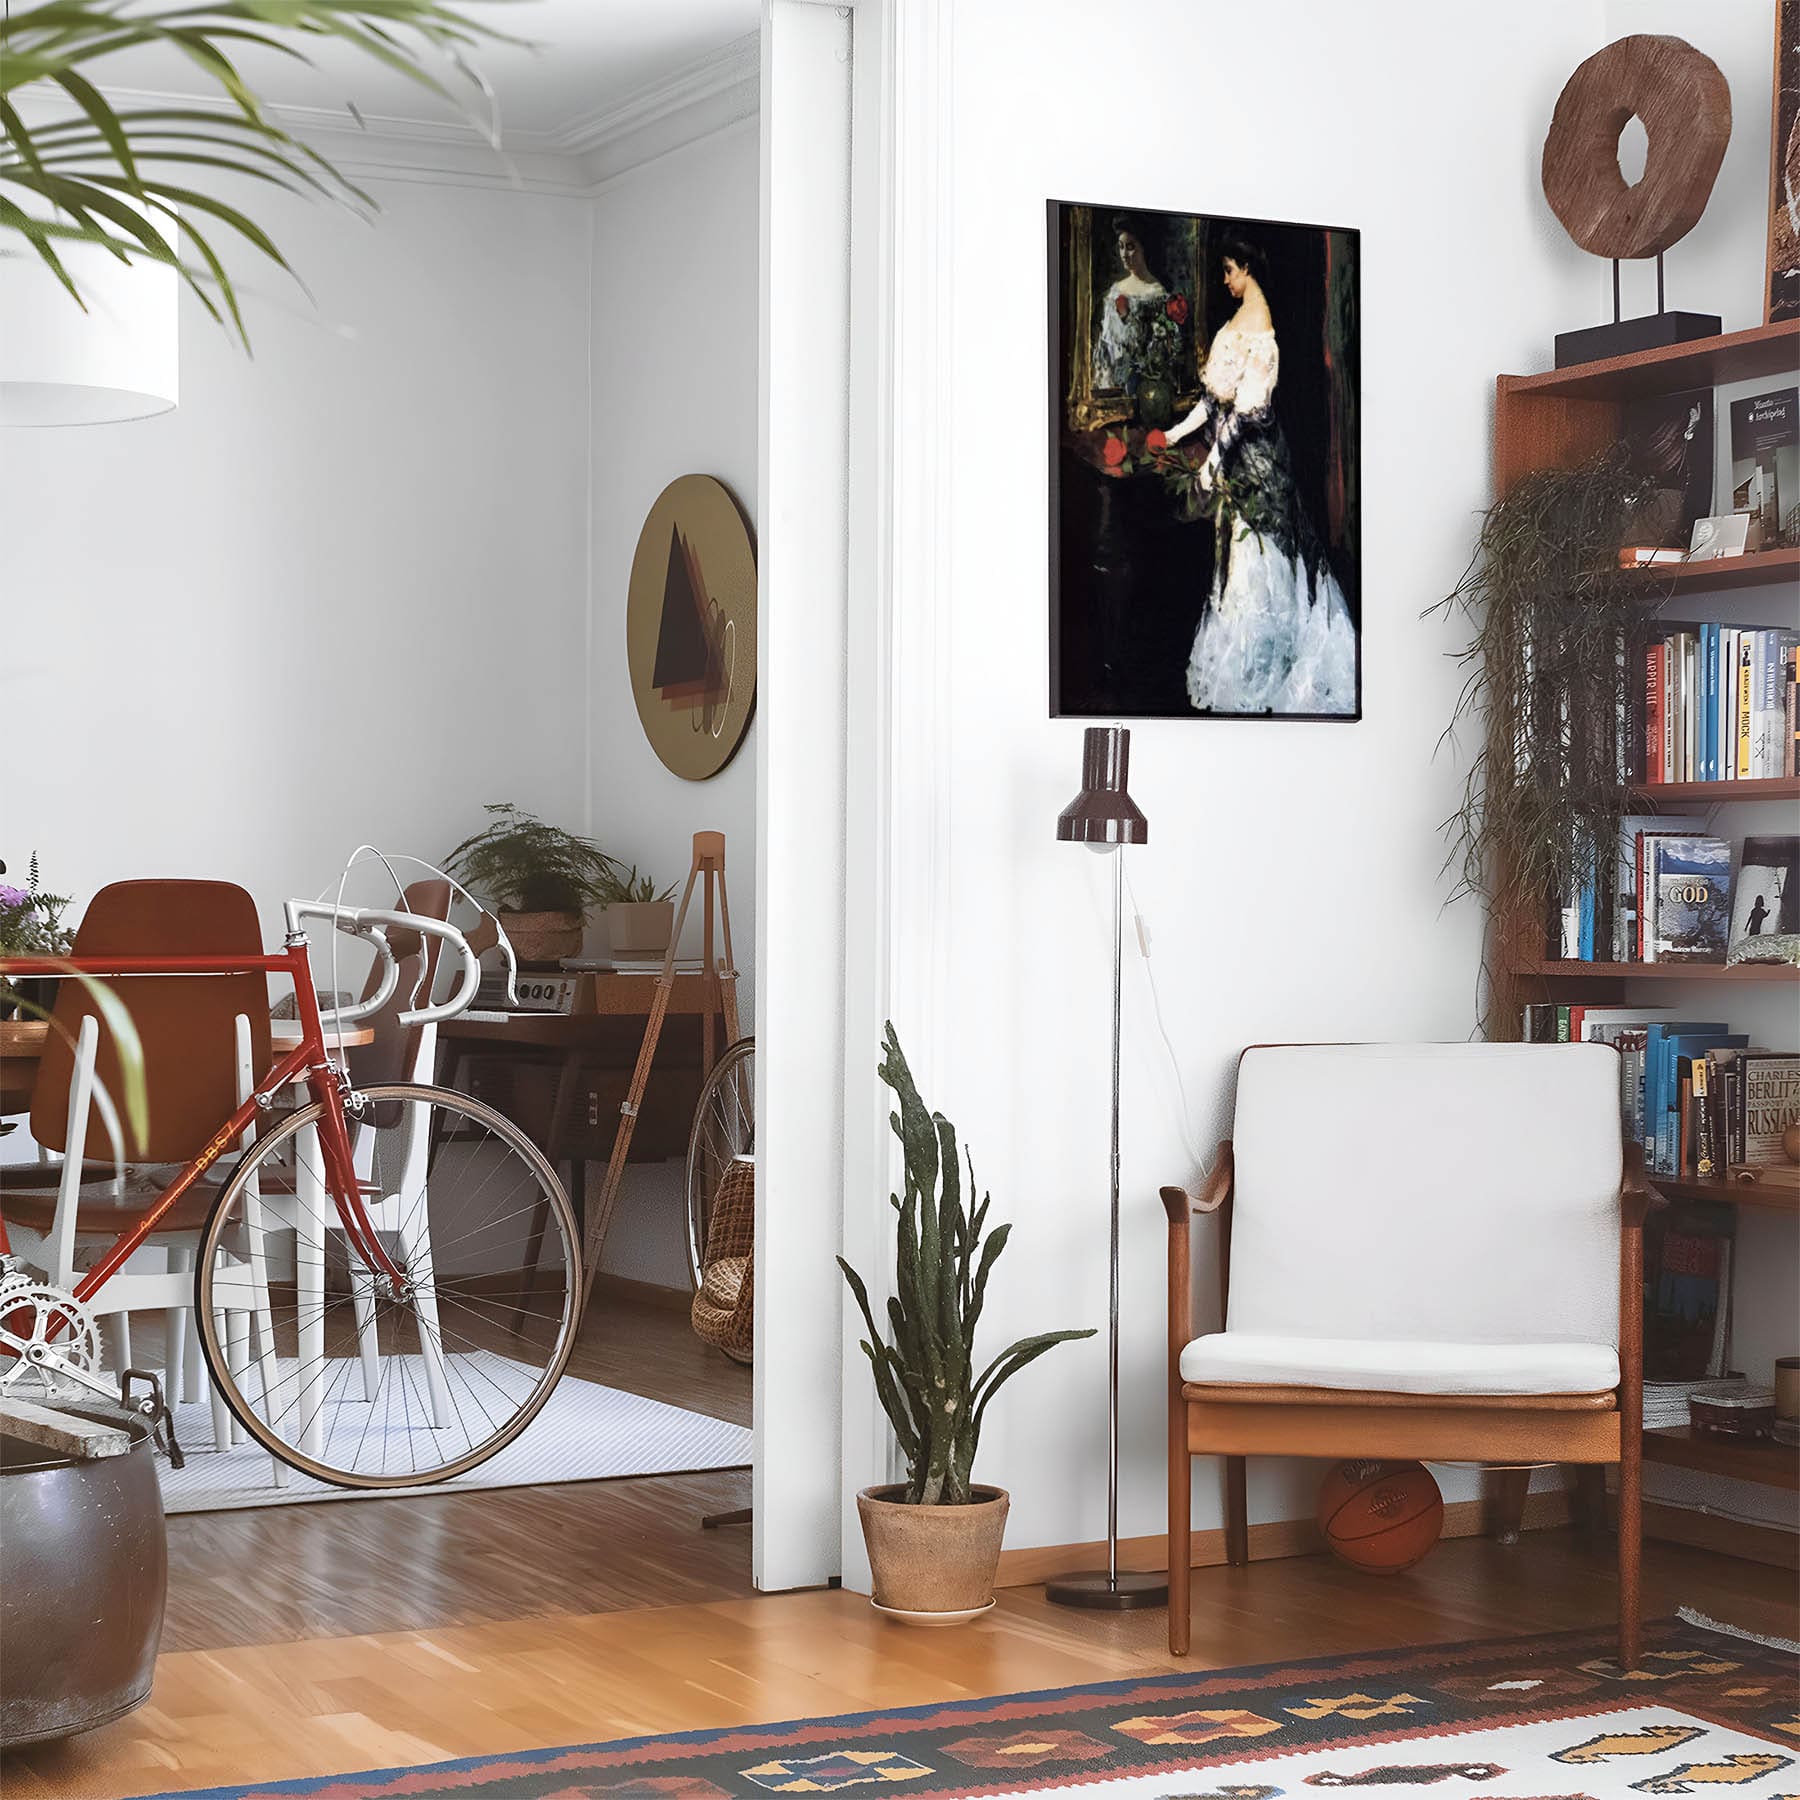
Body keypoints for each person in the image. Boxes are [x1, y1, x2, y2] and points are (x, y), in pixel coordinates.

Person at [1163, 238, 1357, 715]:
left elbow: (1244, 416)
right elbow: (1212, 402)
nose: (1226, 280)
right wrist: (1170, 435)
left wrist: (1212, 464)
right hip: (1236, 464)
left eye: (1230, 270)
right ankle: (1247, 665)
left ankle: (1264, 670)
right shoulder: (1236, 322)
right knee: (1236, 568)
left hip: (1260, 466)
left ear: (1248, 268)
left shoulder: (1264, 332)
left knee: (1258, 566)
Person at [1092, 221, 1171, 396]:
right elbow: (1107, 345)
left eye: (1130, 247)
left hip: (1147, 385)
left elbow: (1158, 348)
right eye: (1121, 247)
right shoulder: (1116, 291)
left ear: (1144, 249)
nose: (1124, 254)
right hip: (1116, 380)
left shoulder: (1157, 292)